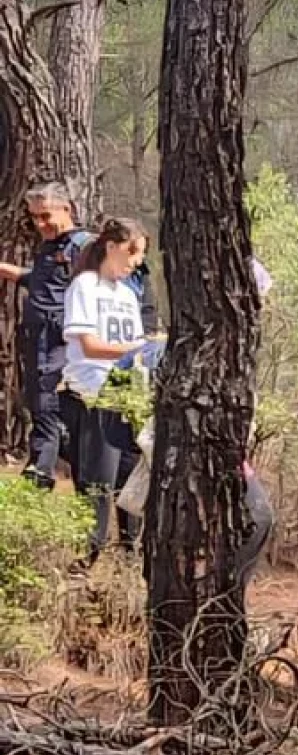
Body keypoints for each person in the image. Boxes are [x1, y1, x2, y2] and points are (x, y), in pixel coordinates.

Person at [61, 218, 150, 559]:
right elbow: (90, 345)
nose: (135, 261)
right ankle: (87, 557)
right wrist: (136, 349)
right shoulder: (85, 285)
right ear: (111, 246)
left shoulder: (128, 295)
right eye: (131, 252)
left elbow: (136, 345)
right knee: (98, 482)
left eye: (140, 255)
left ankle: (132, 554)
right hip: (93, 393)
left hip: (128, 396)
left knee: (132, 480)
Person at [0, 182, 91, 488]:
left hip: (61, 342)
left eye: (46, 216)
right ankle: (45, 470)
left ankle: (42, 473)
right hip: (38, 339)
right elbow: (38, 282)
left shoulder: (82, 246)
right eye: (35, 217)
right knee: (39, 404)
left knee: (49, 404)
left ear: (66, 209)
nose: (40, 224)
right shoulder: (49, 248)